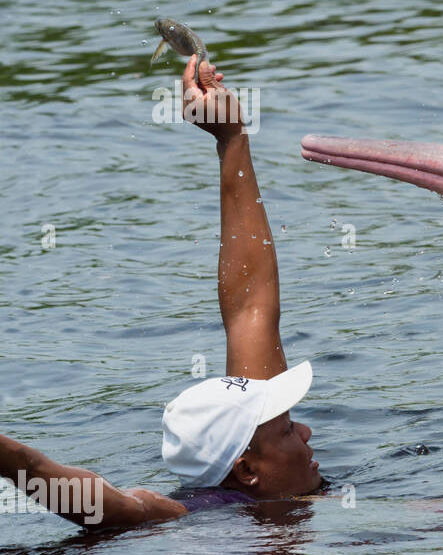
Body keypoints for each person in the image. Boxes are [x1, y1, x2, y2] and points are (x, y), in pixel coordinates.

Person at [1, 56, 322, 530]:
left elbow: (251, 306)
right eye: (288, 429)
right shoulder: (200, 516)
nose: (307, 431)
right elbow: (109, 505)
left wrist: (231, 139)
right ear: (247, 471)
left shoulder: (258, 445)